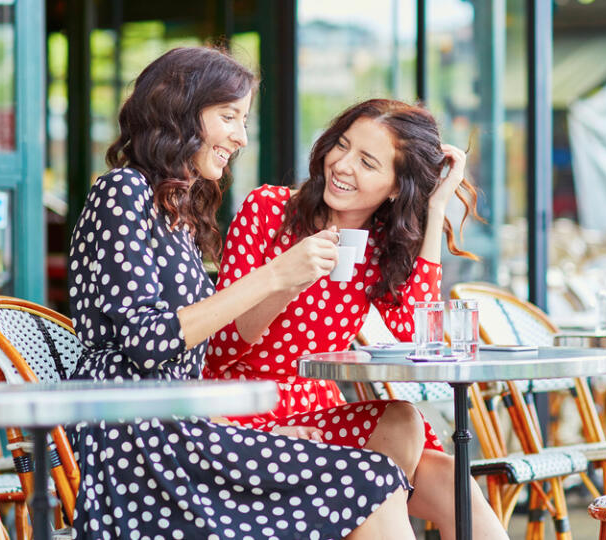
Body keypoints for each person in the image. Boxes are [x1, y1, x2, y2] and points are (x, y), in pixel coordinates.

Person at [67, 47, 418, 540]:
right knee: (371, 483)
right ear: (181, 112)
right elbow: (146, 344)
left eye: (244, 119)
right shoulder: (122, 192)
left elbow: (192, 357)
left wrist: (248, 430)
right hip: (133, 434)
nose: (240, 136)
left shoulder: (173, 209)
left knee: (378, 474)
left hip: (183, 424)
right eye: (228, 116)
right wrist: (276, 276)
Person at [204, 98, 509, 540]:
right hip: (238, 410)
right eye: (341, 147)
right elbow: (225, 348)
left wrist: (436, 207)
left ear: (393, 188)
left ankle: (362, 518)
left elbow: (413, 331)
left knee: (440, 469)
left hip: (316, 410)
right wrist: (289, 277)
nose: (342, 166)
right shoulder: (269, 210)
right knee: (403, 451)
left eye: (367, 161)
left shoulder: (382, 245)